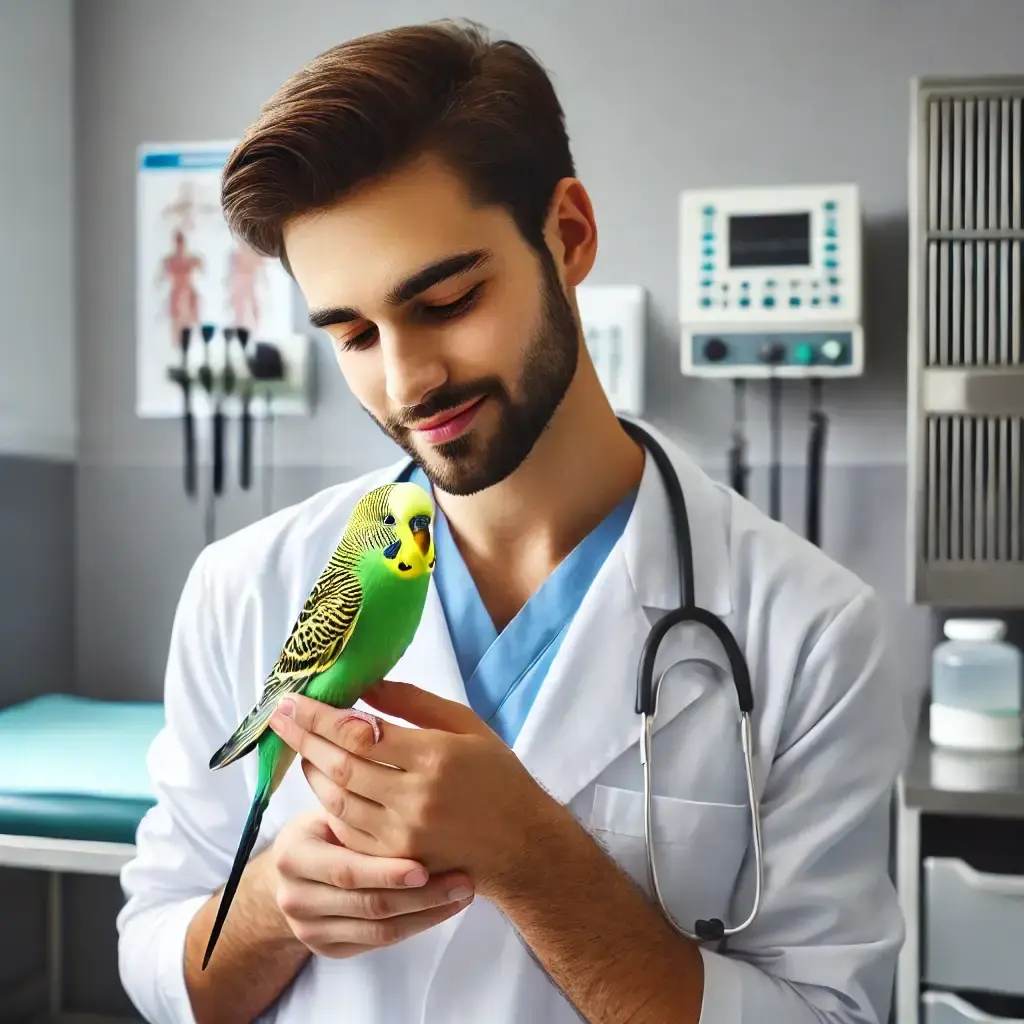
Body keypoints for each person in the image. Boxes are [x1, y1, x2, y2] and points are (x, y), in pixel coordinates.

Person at [116, 19, 912, 1024]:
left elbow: (833, 1014)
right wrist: (275, 903)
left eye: (446, 298)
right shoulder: (249, 584)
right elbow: (156, 958)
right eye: (354, 333)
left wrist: (532, 858)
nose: (406, 380)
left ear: (568, 236)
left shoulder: (806, 629)